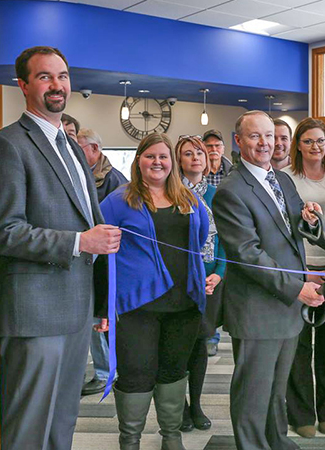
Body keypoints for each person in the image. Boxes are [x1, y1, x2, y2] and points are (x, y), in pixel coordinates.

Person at [0, 46, 121, 450]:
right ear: (24, 85)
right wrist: (79, 242)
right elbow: (4, 231)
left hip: (76, 309)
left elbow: (90, 221)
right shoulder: (9, 145)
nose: (57, 85)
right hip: (34, 312)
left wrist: (100, 305)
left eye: (63, 76)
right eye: (45, 76)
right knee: (26, 426)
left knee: (62, 422)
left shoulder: (70, 147)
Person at [212, 110, 325, 450]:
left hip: (286, 307)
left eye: (271, 136)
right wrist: (297, 288)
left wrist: (310, 220)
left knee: (277, 388)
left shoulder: (282, 179)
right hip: (258, 309)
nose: (265, 143)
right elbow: (248, 255)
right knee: (253, 392)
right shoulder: (231, 191)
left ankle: (276, 440)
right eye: (255, 136)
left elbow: (294, 231)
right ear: (239, 141)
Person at [99, 133, 211, 450]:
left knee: (174, 371)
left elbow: (202, 237)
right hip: (137, 308)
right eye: (150, 156)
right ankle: (130, 441)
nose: (157, 162)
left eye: (163, 156)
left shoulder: (189, 199)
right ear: (139, 161)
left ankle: (171, 438)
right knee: (136, 374)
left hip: (185, 304)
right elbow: (97, 249)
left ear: (172, 162)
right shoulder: (118, 201)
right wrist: (101, 307)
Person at [281, 118, 325, 438]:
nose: (315, 147)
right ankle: (302, 414)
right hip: (299, 270)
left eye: (320, 141)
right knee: (300, 345)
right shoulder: (286, 179)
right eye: (308, 141)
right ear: (298, 145)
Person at [175, 135, 226, 432]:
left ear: (208, 161)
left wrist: (219, 272)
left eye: (200, 153)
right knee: (176, 346)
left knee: (200, 345)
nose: (195, 157)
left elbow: (225, 240)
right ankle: (177, 407)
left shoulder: (217, 193)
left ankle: (196, 404)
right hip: (179, 283)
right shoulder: (170, 192)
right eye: (188, 153)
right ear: (178, 160)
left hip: (210, 281)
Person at [76, 127, 129, 397]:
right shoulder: (85, 175)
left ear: (94, 150)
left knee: (102, 315)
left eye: (79, 147)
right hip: (88, 254)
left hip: (106, 258)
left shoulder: (113, 180)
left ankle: (105, 371)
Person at [200, 128, 234, 356]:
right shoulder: (198, 177)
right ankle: (209, 333)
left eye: (217, 146)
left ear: (223, 148)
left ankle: (219, 328)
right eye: (209, 146)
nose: (213, 150)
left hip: (229, 233)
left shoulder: (233, 173)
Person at [78, 128, 128, 203]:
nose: (73, 152)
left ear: (94, 148)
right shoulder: (75, 174)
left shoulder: (116, 180)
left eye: (78, 148)